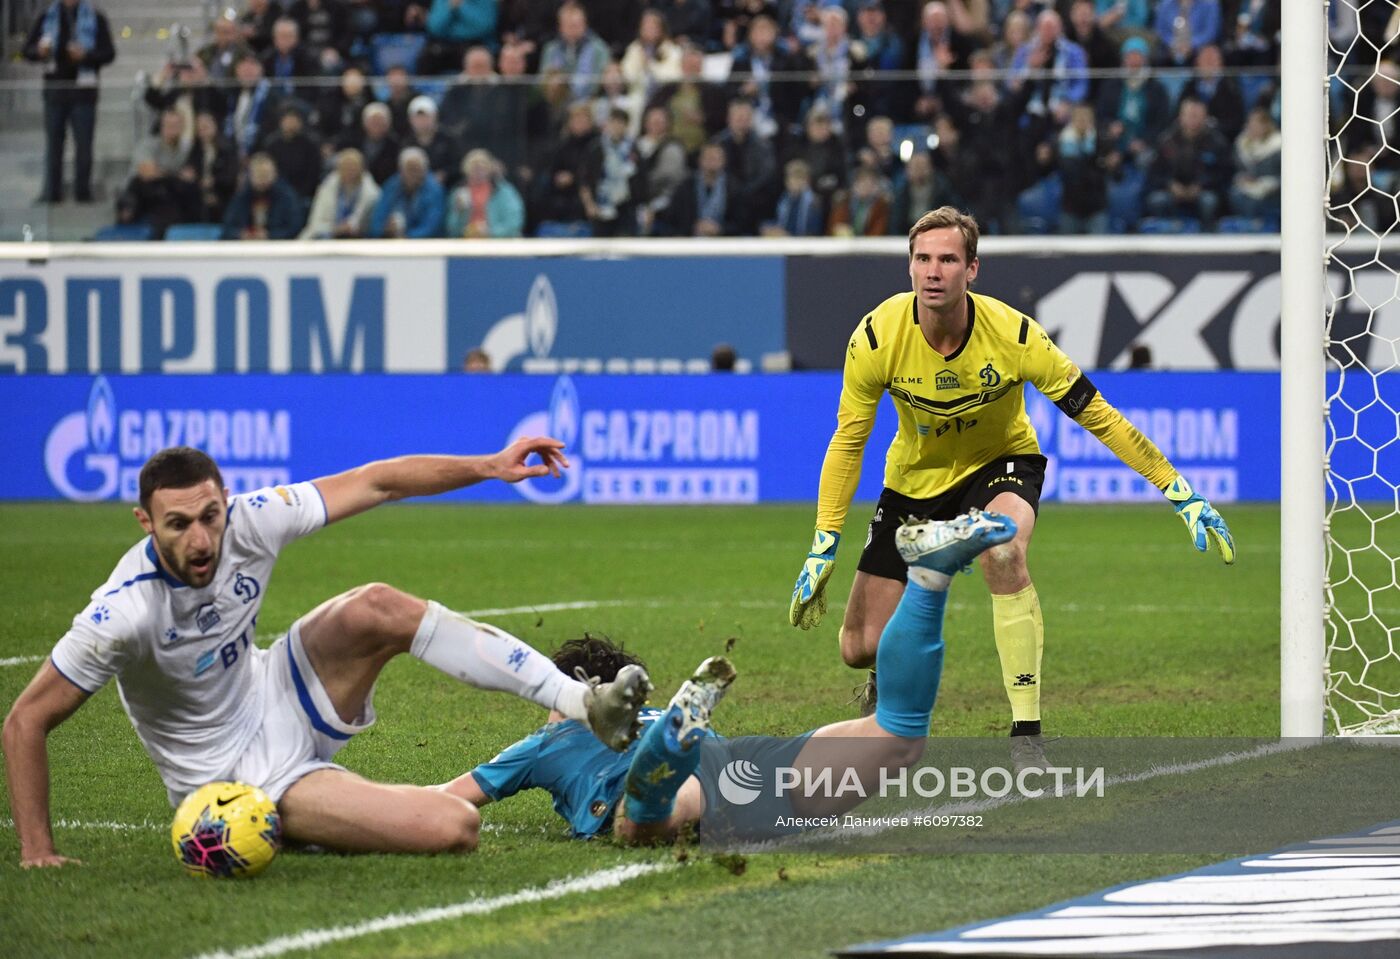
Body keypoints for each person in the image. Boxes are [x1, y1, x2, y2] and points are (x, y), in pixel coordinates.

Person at [2, 441, 652, 868]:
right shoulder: (122, 614)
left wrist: (488, 466)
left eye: (211, 515)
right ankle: (320, 818)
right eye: (179, 524)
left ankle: (581, 701)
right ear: (145, 522)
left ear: (225, 501)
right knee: (454, 826)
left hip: (278, 688)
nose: (201, 539)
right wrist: (37, 850)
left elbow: (377, 482)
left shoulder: (251, 519)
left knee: (377, 605)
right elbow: (25, 720)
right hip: (237, 779)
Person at [787, 207, 1236, 772]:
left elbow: (1097, 414)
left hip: (1000, 464)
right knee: (858, 647)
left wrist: (1180, 491)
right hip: (913, 483)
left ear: (972, 269)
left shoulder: (1016, 335)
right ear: (909, 266)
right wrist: (824, 542)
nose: (933, 271)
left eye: (947, 259)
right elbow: (848, 440)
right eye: (922, 259)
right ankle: (892, 656)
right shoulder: (876, 337)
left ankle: (1026, 736)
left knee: (1003, 550)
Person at [443, 511, 1016, 845]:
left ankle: (660, 770)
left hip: (679, 786)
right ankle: (929, 580)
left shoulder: (549, 739)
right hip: (743, 764)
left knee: (644, 823)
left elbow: (449, 801)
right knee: (897, 735)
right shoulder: (635, 715)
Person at [22, 0, 116, 204]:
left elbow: (109, 53)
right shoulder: (46, 16)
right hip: (55, 91)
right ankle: (52, 192)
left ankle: (83, 192)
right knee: (54, 145)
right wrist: (39, 52)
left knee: (84, 145)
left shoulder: (96, 17)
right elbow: (27, 50)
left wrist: (86, 56)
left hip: (83, 93)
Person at [221, 152, 306, 239]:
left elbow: (294, 228)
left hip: (277, 245)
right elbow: (227, 227)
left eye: (266, 174)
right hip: (246, 245)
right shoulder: (241, 196)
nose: (262, 179)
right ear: (250, 176)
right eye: (258, 174)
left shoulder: (287, 196)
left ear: (274, 174)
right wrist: (240, 234)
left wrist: (269, 235)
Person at [301, 147, 381, 238]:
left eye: (353, 167)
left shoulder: (372, 193)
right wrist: (336, 229)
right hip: (329, 235)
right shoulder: (327, 188)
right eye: (345, 167)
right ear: (338, 169)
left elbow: (372, 224)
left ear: (361, 169)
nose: (349, 171)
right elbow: (315, 222)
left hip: (359, 236)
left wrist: (354, 226)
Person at [445, 149, 526, 238]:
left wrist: (491, 232)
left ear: (489, 169)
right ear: (466, 170)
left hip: (497, 241)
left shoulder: (504, 192)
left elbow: (514, 223)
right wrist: (460, 213)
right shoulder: (458, 192)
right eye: (474, 168)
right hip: (466, 241)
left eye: (482, 168)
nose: (478, 172)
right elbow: (452, 229)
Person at [368, 147, 446, 238]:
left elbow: (432, 226)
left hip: (422, 241)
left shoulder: (434, 190)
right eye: (409, 169)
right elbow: (377, 220)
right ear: (401, 170)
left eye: (416, 169)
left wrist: (407, 236)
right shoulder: (392, 185)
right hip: (391, 238)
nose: (413, 174)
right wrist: (384, 229)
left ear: (424, 170)